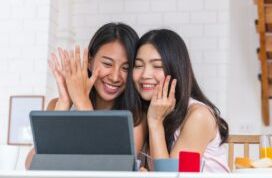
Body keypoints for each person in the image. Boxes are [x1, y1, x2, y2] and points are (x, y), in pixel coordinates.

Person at [25, 23, 146, 169]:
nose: (115, 77)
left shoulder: (137, 117)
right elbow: (31, 164)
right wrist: (64, 103)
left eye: (126, 68)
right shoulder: (56, 105)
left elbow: (110, 167)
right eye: (107, 64)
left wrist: (83, 102)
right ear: (89, 62)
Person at [133, 29, 230, 172]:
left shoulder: (198, 116)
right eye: (139, 65)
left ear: (175, 68)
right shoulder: (147, 111)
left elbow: (170, 177)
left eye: (157, 66)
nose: (145, 74)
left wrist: (155, 122)